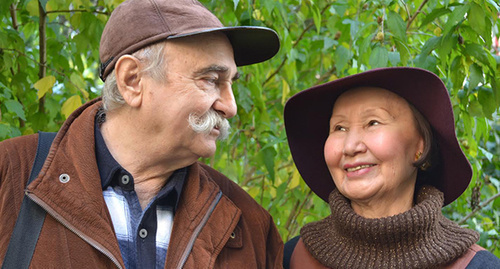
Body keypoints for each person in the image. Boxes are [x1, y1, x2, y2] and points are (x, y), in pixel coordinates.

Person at [0, 0, 284, 268]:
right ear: (132, 80)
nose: (230, 107)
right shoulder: (11, 174)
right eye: (211, 80)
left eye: (231, 83)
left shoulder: (250, 224)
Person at [282, 67, 500, 269]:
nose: (350, 146)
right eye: (339, 127)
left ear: (420, 145)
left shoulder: (473, 265)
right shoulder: (292, 258)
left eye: (373, 123)